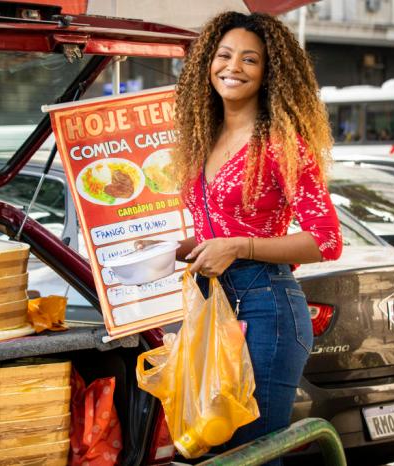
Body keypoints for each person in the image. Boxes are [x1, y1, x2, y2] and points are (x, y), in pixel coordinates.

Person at [137, 12, 342, 464]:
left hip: (267, 308)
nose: (233, 67)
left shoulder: (283, 145)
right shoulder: (203, 137)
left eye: (251, 59)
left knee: (253, 455)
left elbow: (326, 240)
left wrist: (238, 246)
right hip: (214, 307)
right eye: (224, 55)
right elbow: (225, 226)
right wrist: (185, 247)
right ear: (206, 63)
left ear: (270, 74)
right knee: (206, 450)